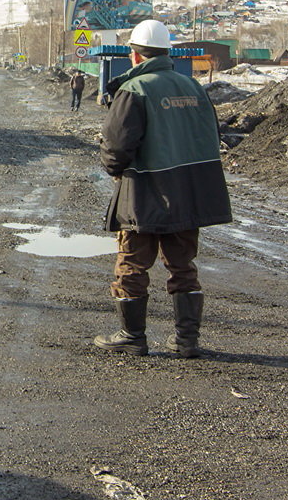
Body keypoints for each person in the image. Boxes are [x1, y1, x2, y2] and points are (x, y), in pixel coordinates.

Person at [94, 19, 231, 358]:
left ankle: (132, 336)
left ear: (135, 55)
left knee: (132, 264)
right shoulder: (193, 87)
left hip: (145, 194)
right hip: (190, 193)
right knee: (183, 265)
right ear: (166, 52)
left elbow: (116, 148)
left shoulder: (134, 90)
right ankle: (187, 340)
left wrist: (113, 167)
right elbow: (212, 136)